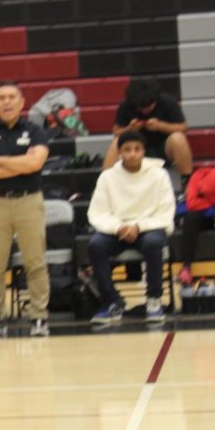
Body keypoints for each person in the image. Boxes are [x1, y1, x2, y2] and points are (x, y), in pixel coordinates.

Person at [0, 82, 52, 338]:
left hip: (28, 200)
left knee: (35, 263)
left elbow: (36, 163)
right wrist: (21, 162)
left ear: (22, 102)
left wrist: (0, 160)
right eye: (1, 98)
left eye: (11, 97)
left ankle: (39, 317)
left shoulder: (36, 131)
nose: (7, 102)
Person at [86, 131, 176, 325]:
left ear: (144, 151)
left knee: (153, 243)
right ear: (120, 153)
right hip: (117, 229)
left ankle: (153, 301)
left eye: (137, 149)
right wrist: (119, 227)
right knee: (95, 245)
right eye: (127, 150)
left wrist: (139, 226)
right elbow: (97, 213)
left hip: (149, 227)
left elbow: (166, 212)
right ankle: (112, 301)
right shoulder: (107, 177)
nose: (132, 154)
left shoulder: (159, 175)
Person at [106, 77, 193, 178]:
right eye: (141, 108)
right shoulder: (125, 106)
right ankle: (104, 182)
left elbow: (183, 127)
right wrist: (129, 129)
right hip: (135, 150)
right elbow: (116, 131)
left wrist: (160, 126)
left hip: (164, 148)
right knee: (116, 142)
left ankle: (187, 181)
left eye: (148, 107)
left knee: (178, 138)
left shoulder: (168, 102)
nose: (144, 111)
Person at [176, 144, 215, 286]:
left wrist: (205, 195)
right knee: (191, 216)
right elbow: (192, 203)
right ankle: (186, 267)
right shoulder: (199, 174)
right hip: (203, 218)